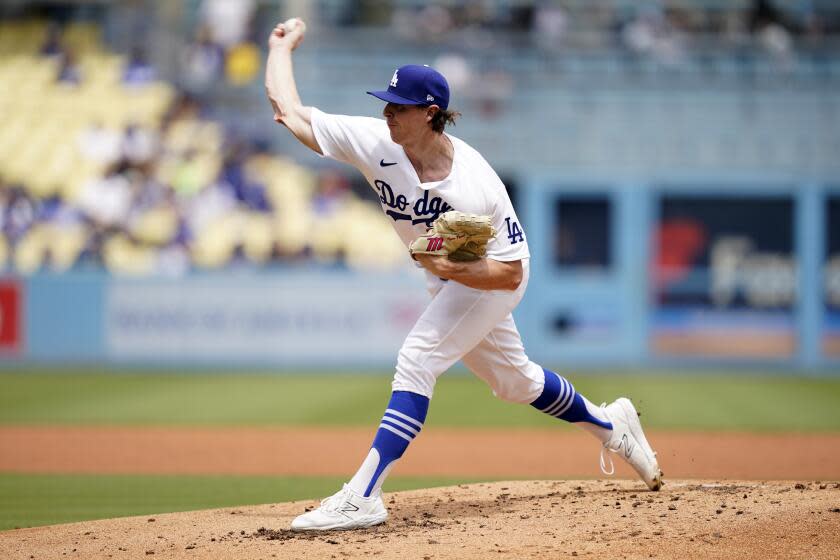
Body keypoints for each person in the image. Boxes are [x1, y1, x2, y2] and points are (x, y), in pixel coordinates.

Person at [264, 18, 663, 532]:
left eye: (398, 106)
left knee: (418, 357)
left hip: (492, 276)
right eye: (386, 102)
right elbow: (289, 112)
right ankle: (612, 423)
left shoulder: (475, 185)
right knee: (514, 382)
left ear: (430, 114)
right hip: (449, 276)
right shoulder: (374, 141)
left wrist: (455, 267)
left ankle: (362, 495)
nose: (386, 112)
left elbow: (509, 273)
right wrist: (280, 49)